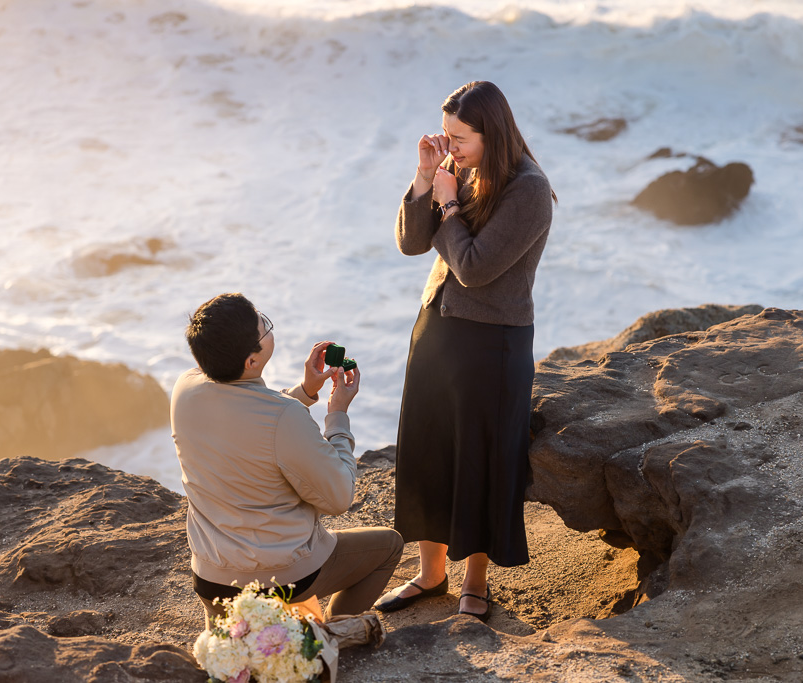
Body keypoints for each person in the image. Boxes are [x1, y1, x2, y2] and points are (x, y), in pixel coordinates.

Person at [374, 81, 556, 622]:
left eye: (460, 138)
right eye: (446, 137)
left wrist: (449, 202)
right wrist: (426, 178)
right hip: (437, 329)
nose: (451, 146)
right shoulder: (460, 169)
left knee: (479, 462)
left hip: (491, 341)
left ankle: (475, 582)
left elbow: (474, 268)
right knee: (428, 452)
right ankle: (431, 575)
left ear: (491, 132)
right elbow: (411, 242)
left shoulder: (529, 190)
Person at [171, 293, 403, 626]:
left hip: (211, 582)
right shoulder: (285, 417)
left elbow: (249, 421)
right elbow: (339, 496)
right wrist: (337, 414)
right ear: (252, 360)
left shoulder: (185, 388)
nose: (267, 325)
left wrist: (306, 390)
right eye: (263, 325)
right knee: (389, 546)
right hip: (279, 582)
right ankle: (330, 634)